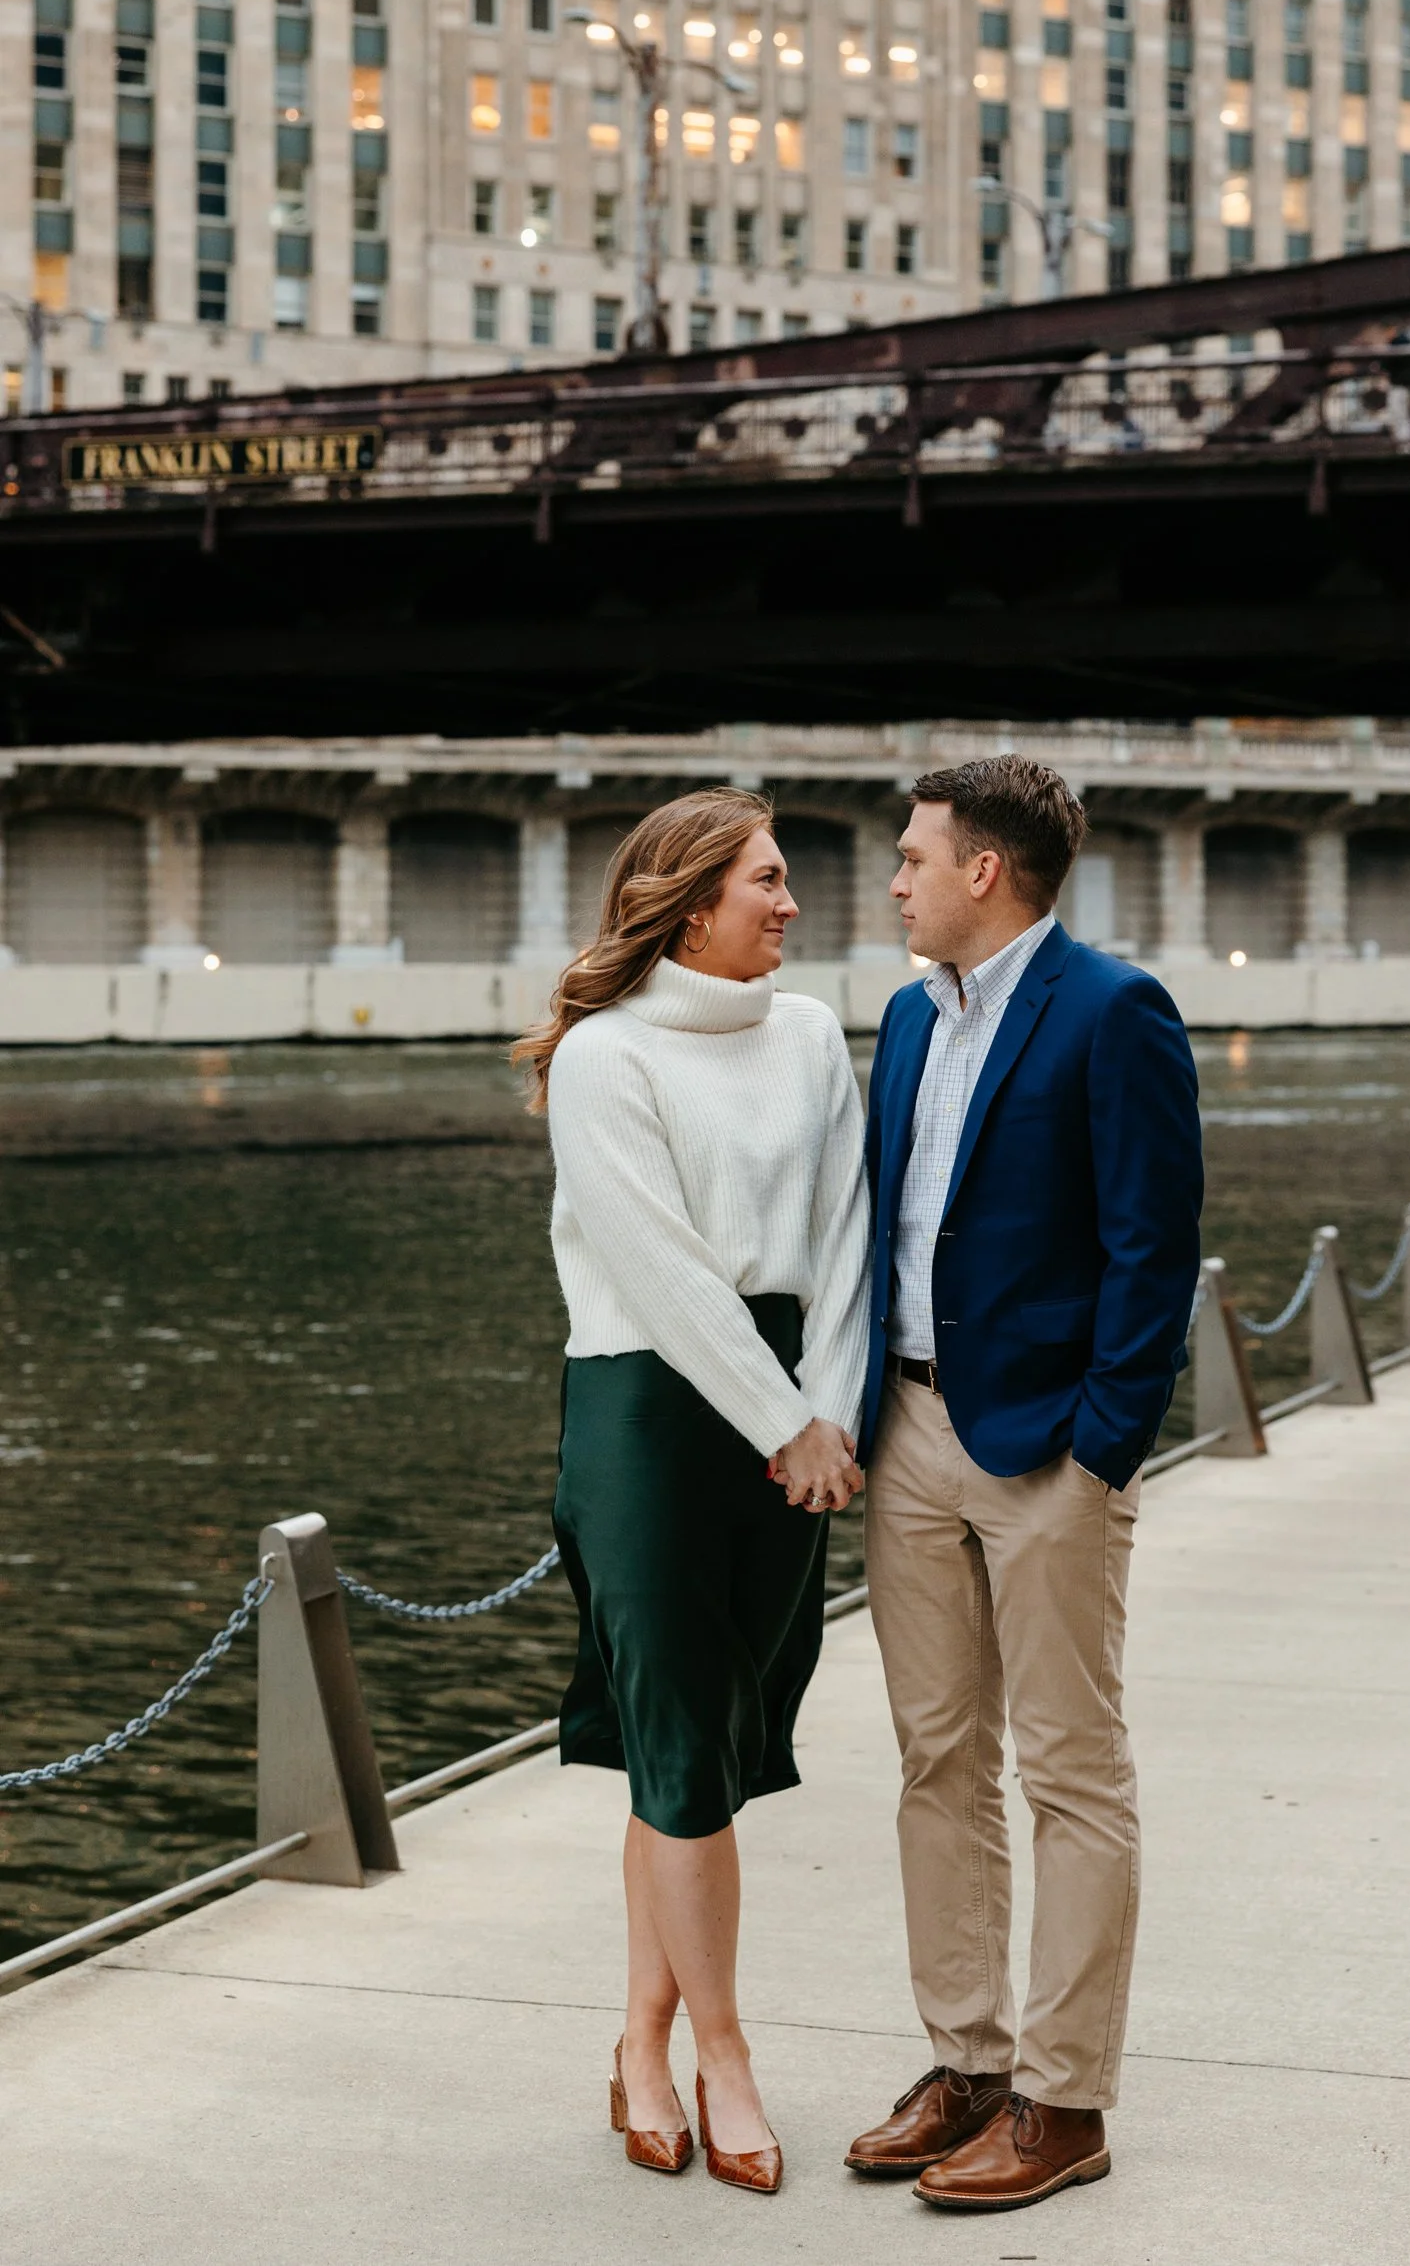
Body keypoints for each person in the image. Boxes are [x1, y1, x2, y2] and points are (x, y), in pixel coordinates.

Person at [844, 755, 1202, 2214]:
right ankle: (968, 2065)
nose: (896, 880)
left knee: (1067, 1770)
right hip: (909, 1437)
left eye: (915, 856)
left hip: (1049, 1448)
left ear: (983, 870)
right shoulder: (911, 1023)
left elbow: (1151, 1247)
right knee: (936, 1763)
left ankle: (1065, 2100)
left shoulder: (1112, 1011)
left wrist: (1102, 1447)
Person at [512, 788, 868, 2197]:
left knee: (700, 1755)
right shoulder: (603, 1059)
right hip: (650, 1412)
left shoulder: (807, 1036)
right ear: (687, 900)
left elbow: (845, 1236)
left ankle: (638, 2042)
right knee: (676, 1744)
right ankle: (722, 2055)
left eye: (785, 881)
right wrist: (783, 1421)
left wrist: (825, 1410)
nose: (789, 904)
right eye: (765, 882)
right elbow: (657, 1271)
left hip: (797, 1409)